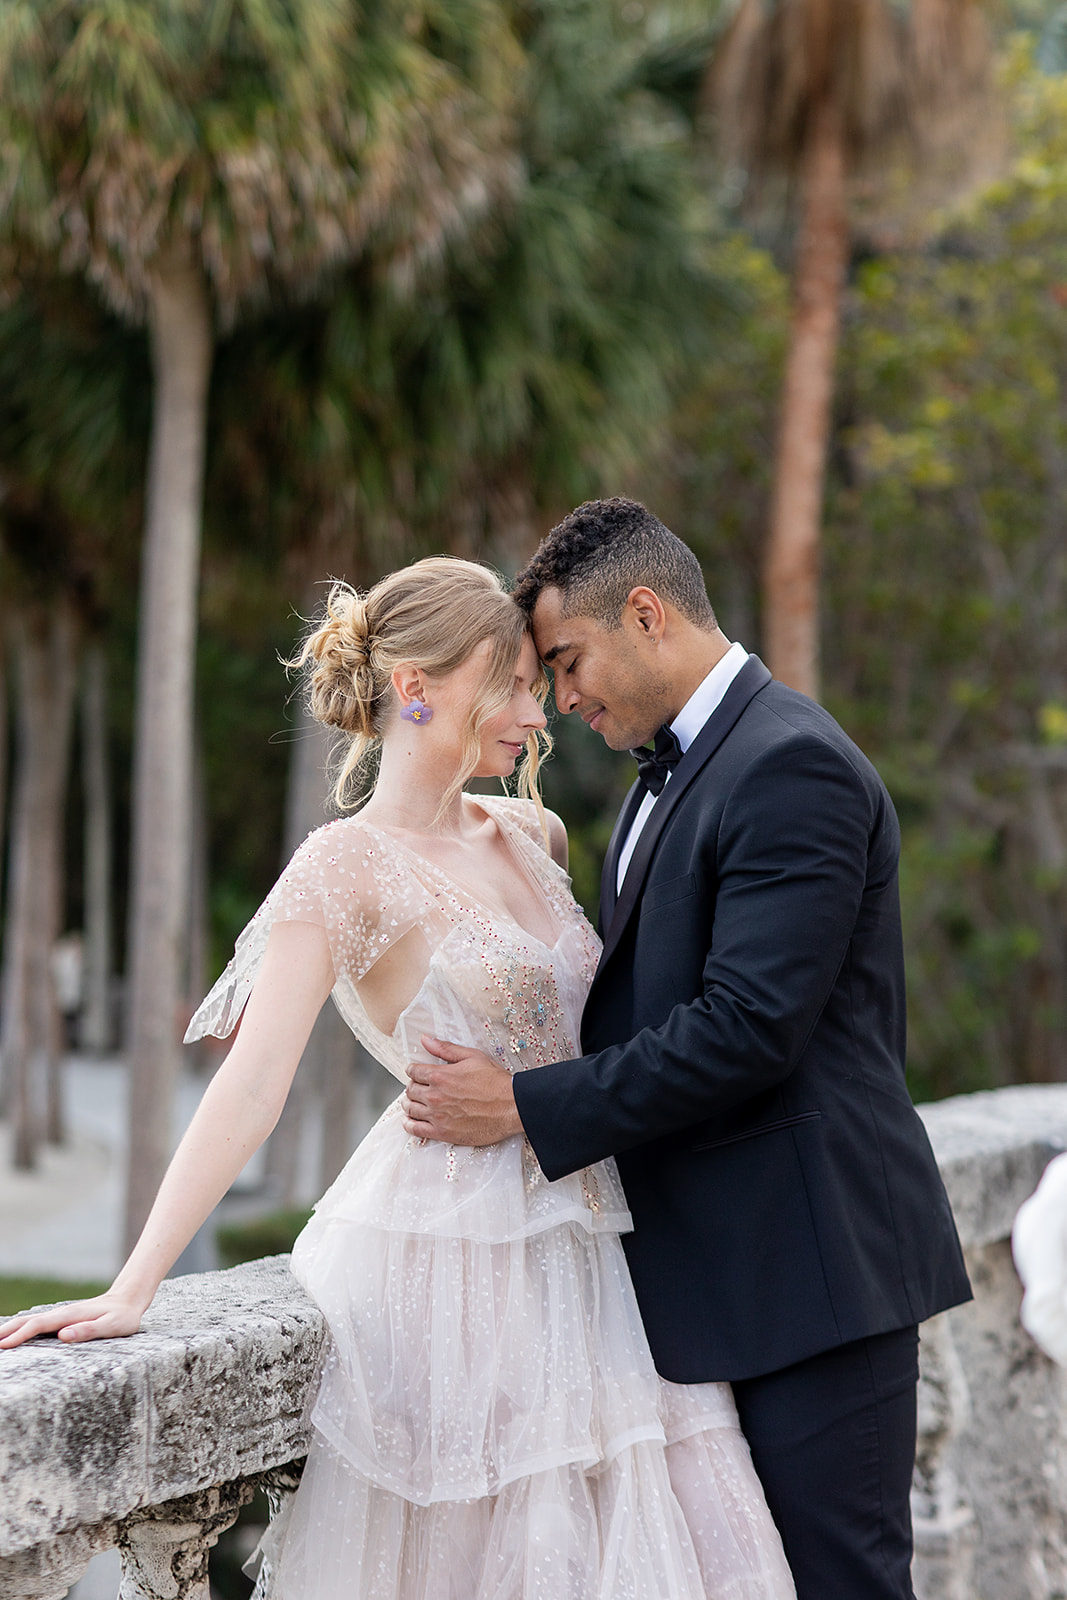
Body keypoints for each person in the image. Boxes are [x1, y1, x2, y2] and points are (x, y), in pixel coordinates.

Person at [0, 556, 796, 1600]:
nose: (537, 709)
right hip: (456, 1264)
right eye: (510, 681)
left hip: (601, 1251)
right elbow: (250, 1085)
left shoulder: (531, 832)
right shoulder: (344, 866)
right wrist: (136, 1280)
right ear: (417, 684)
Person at [402, 501, 975, 1600]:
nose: (562, 698)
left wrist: (525, 1106)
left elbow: (745, 1027)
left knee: (841, 1584)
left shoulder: (786, 763)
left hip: (812, 1280)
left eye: (566, 661)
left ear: (647, 613)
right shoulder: (679, 772)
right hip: (722, 1284)